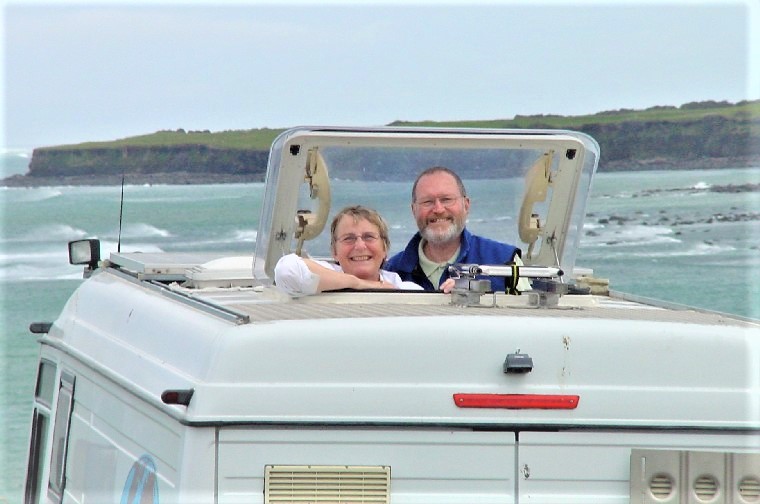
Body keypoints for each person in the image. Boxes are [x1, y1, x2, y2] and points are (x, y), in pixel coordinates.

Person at [385, 166, 529, 293]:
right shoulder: (392, 270)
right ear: (413, 210)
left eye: (446, 199)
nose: (438, 209)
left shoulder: (505, 261)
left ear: (466, 205)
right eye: (427, 202)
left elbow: (528, 318)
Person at [275, 205, 424, 297]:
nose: (360, 246)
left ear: (385, 248)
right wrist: (359, 284)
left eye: (369, 237)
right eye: (349, 238)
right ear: (334, 251)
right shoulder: (323, 276)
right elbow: (287, 270)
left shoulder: (404, 289)